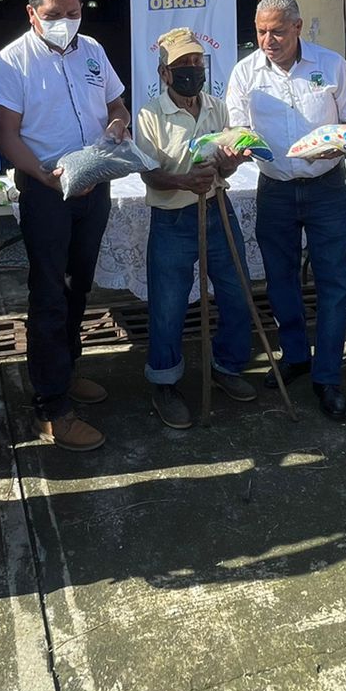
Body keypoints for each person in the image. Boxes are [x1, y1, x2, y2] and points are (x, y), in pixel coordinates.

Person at [0, 0, 129, 452]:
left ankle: (67, 371)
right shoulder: (12, 61)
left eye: (73, 14)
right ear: (32, 13)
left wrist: (116, 127)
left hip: (94, 183)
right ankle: (50, 407)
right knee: (49, 293)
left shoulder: (92, 50)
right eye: (53, 15)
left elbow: (117, 104)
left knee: (78, 285)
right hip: (47, 189)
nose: (65, 23)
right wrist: (45, 176)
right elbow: (7, 135)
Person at [226, 0, 346, 421]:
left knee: (334, 281)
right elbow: (237, 128)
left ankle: (328, 375)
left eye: (278, 32)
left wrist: (342, 144)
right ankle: (295, 355)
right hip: (276, 189)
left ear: (298, 27)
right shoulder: (245, 73)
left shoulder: (331, 65)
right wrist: (238, 146)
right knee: (280, 279)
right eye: (261, 32)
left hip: (327, 188)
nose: (268, 40)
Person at [133, 28, 255, 428]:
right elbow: (149, 174)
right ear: (164, 73)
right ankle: (165, 384)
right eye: (181, 64)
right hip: (173, 219)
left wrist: (230, 163)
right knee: (168, 305)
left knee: (237, 292)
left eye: (196, 62)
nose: (191, 69)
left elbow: (226, 165)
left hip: (217, 209)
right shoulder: (150, 114)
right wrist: (184, 181)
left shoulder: (217, 107)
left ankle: (227, 366)